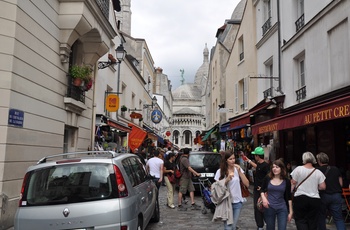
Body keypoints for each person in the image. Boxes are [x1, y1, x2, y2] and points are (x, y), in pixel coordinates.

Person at [214, 151, 249, 230]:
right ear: (226, 160)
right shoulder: (220, 171)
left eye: (234, 158)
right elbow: (217, 187)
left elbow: (247, 184)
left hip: (237, 202)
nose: (233, 160)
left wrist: (240, 172)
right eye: (230, 159)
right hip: (226, 202)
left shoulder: (237, 170)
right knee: (228, 227)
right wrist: (227, 179)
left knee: (233, 226)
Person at [291, 151, 326, 230]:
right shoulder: (318, 172)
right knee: (313, 222)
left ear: (304, 159)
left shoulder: (298, 169)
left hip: (300, 198)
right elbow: (323, 187)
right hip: (314, 199)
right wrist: (314, 187)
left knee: (300, 220)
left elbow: (293, 184)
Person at [260, 159, 293, 230]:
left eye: (277, 167)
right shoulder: (268, 178)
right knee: (270, 228)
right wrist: (264, 198)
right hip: (269, 207)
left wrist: (290, 211)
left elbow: (289, 197)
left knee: (282, 228)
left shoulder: (286, 181)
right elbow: (262, 189)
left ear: (282, 169)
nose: (274, 169)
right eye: (273, 167)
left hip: (282, 208)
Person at [316, 152, 346, 230]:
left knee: (321, 217)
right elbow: (341, 184)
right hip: (336, 195)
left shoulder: (317, 170)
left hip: (323, 195)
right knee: (338, 218)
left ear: (319, 161)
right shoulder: (335, 169)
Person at [243, 146, 270, 230]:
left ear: (258, 156)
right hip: (257, 189)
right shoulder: (261, 165)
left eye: (255, 155)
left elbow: (268, 178)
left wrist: (264, 188)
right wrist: (249, 161)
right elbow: (257, 167)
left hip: (261, 190)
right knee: (258, 207)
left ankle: (262, 225)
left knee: (260, 207)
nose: (255, 157)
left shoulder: (265, 166)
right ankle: (261, 225)